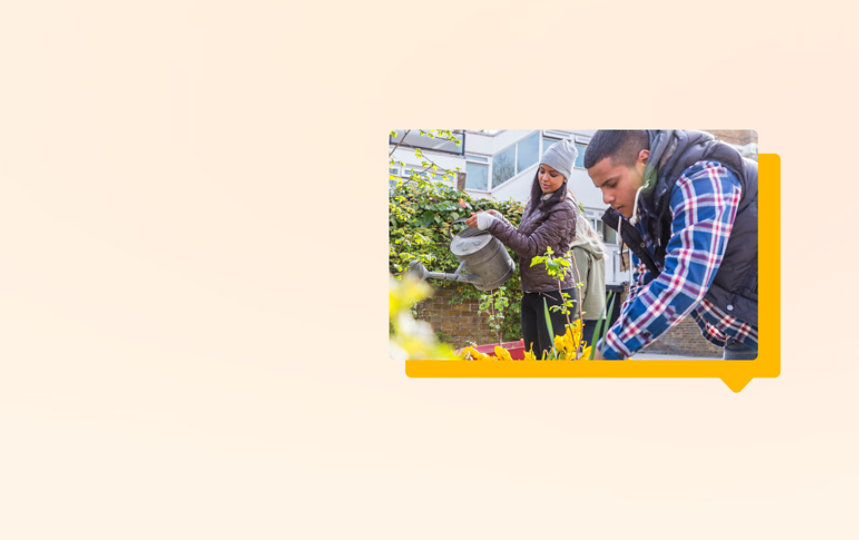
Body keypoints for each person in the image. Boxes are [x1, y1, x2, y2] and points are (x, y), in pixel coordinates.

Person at [583, 130, 758, 360]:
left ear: (643, 161)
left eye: (612, 184)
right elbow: (643, 286)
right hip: (745, 332)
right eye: (600, 189)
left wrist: (606, 353)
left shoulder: (704, 178)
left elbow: (685, 282)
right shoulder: (644, 209)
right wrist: (610, 347)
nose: (606, 198)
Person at [465, 140, 578, 357]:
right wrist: (497, 218)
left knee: (550, 363)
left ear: (565, 178)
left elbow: (530, 247)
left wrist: (492, 225)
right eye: (542, 171)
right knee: (533, 358)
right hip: (532, 291)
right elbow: (522, 236)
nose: (545, 178)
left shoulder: (564, 209)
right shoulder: (536, 202)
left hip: (555, 295)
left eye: (553, 174)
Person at [567, 196, 606, 347]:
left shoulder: (578, 251)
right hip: (597, 312)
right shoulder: (598, 252)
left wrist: (574, 317)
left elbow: (579, 286)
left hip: (583, 315)